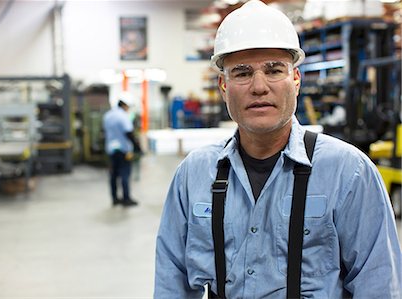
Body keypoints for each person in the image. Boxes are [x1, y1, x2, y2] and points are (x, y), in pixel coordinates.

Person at [154, 1, 402, 298]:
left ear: (295, 80)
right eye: (242, 73)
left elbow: (379, 286)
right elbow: (171, 282)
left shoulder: (349, 173)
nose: (259, 87)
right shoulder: (193, 175)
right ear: (223, 85)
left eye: (273, 70)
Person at [103, 93, 142, 207]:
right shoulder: (123, 116)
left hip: (111, 149)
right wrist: (137, 147)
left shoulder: (108, 115)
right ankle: (126, 198)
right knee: (125, 173)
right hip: (123, 149)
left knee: (113, 174)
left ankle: (115, 198)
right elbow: (129, 133)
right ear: (125, 105)